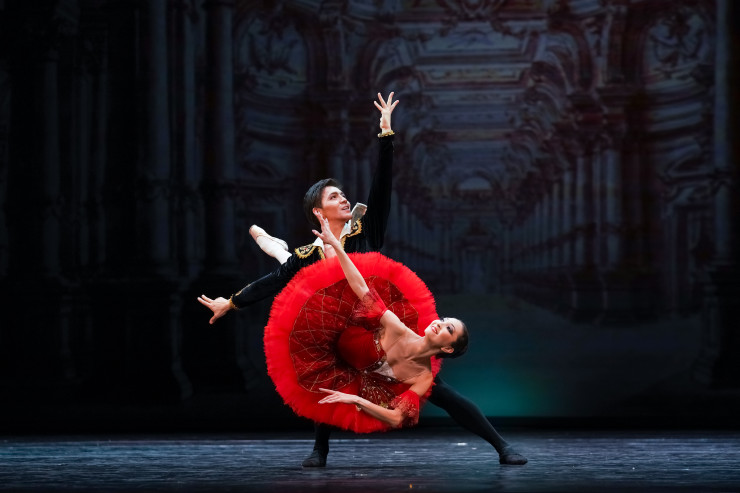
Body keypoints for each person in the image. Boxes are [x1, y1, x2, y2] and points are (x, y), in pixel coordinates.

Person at [197, 92, 527, 466]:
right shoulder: (308, 255)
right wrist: (231, 302)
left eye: (343, 195)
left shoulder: (363, 230)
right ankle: (320, 449)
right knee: (291, 276)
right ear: (319, 211)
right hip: (342, 328)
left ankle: (502, 446)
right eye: (334, 197)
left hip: (376, 317)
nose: (343, 199)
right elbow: (273, 281)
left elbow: (381, 190)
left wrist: (386, 136)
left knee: (441, 392)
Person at [264, 211, 468, 432]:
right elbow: (361, 288)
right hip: (335, 333)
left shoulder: (423, 377)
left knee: (327, 396)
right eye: (444, 319)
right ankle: (279, 247)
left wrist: (356, 400)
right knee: (300, 271)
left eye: (448, 328)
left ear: (448, 348)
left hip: (352, 372)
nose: (439, 322)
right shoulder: (398, 329)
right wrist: (336, 244)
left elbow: (395, 418)